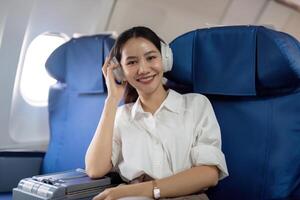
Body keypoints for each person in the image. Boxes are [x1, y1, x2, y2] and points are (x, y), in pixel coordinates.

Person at [85, 26, 228, 200]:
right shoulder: (121, 116)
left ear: (165, 59)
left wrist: (133, 191)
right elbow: (95, 169)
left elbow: (209, 174)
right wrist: (112, 100)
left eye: (151, 57)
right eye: (131, 62)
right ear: (120, 71)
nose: (143, 69)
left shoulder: (196, 105)